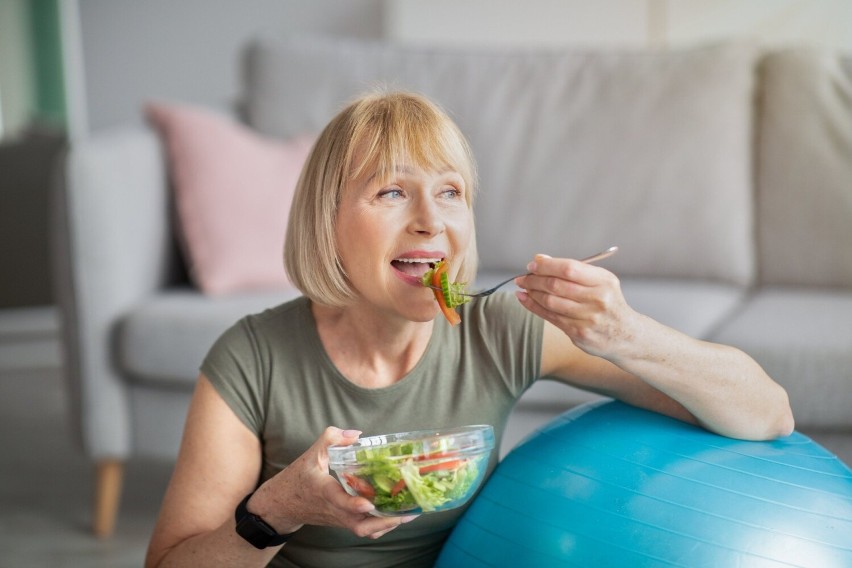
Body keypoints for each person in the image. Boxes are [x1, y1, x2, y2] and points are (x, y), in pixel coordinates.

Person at [145, 91, 794, 568]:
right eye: (392, 193)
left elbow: (767, 413)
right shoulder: (251, 358)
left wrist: (626, 334)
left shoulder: (500, 327)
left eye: (450, 192)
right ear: (327, 222)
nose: (432, 221)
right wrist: (279, 508)